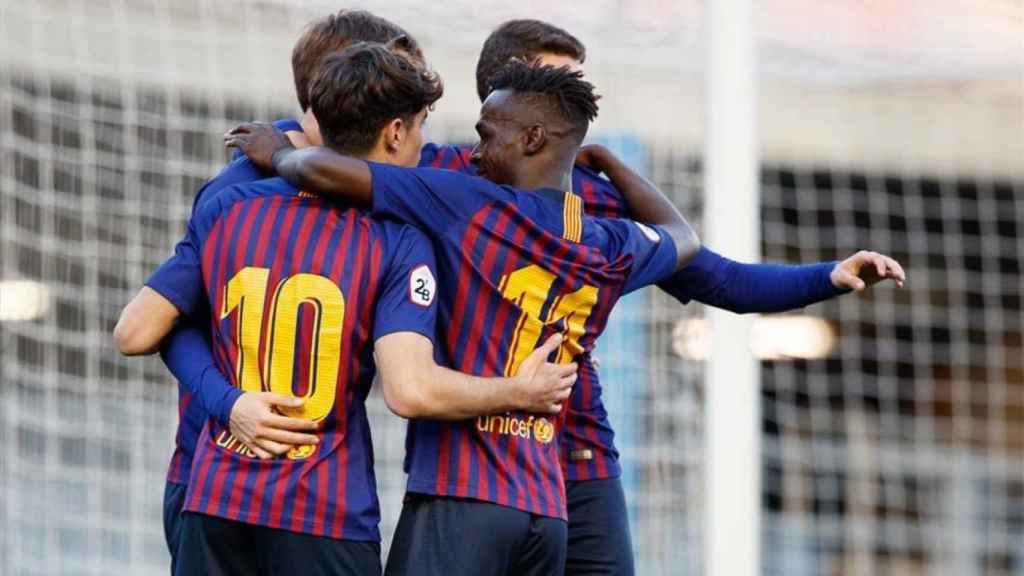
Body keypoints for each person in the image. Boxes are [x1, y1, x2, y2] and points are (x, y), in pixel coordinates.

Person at [422, 19, 907, 575]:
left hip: (575, 455)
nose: (578, 106)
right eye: (561, 86)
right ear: (504, 98)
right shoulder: (442, 181)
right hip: (469, 456)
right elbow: (346, 177)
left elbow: (721, 279)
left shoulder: (599, 205)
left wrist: (829, 276)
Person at [227, 60, 701, 575]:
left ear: (532, 138)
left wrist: (276, 153)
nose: (475, 153)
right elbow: (682, 237)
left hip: (461, 497)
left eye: (486, 135)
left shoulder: (469, 204)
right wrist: (611, 162)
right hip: (544, 510)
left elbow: (324, 171)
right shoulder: (612, 244)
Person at [117, 44, 577, 575]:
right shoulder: (399, 240)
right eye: (423, 127)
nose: (426, 144)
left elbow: (139, 331)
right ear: (397, 132)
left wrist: (230, 402)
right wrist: (519, 391)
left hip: (218, 497)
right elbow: (412, 390)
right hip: (323, 509)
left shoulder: (229, 206)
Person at [112, 10, 428, 569]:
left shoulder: (383, 192)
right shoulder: (236, 194)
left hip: (276, 496)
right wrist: (229, 403)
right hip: (213, 473)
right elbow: (155, 326)